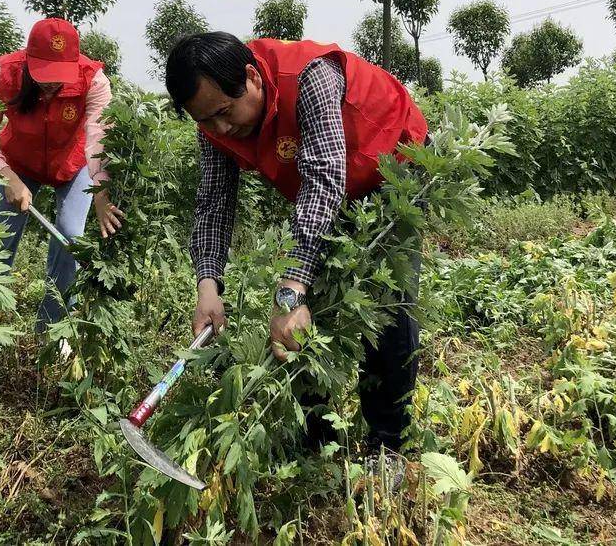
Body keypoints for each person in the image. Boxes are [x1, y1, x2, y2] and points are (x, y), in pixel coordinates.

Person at [165, 31, 428, 480]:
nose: (220, 130)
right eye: (206, 121)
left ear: (251, 77)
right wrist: (207, 285)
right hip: (333, 183)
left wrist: (290, 291)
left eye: (225, 113)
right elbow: (213, 203)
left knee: (386, 304)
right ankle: (317, 443)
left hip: (394, 168)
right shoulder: (214, 121)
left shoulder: (310, 77)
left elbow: (324, 177)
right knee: (314, 305)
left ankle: (389, 447)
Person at [0, 17, 124, 334]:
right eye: (45, 74)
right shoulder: (5, 74)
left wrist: (100, 195)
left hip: (72, 164)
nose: (52, 84)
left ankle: (52, 329)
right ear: (29, 59)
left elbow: (99, 139)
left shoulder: (93, 80)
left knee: (70, 238)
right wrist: (8, 178)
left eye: (59, 75)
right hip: (17, 164)